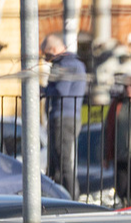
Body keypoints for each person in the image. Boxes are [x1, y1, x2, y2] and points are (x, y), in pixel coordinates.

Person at [42, 33, 86, 198]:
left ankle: (72, 200)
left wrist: (44, 90)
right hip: (69, 117)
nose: (47, 60)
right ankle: (58, 198)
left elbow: (61, 90)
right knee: (56, 164)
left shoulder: (65, 64)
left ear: (53, 49)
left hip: (63, 117)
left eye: (47, 55)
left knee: (62, 163)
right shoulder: (74, 63)